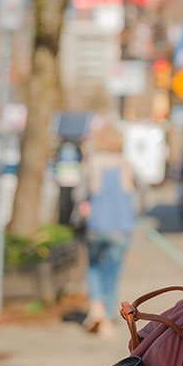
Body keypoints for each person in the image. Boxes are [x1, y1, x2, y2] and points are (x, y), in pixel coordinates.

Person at [78, 124, 140, 338]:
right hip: (121, 228)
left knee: (94, 266)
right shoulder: (127, 165)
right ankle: (105, 318)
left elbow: (81, 193)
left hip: (96, 226)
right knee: (112, 272)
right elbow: (139, 196)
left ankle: (96, 307)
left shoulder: (92, 165)